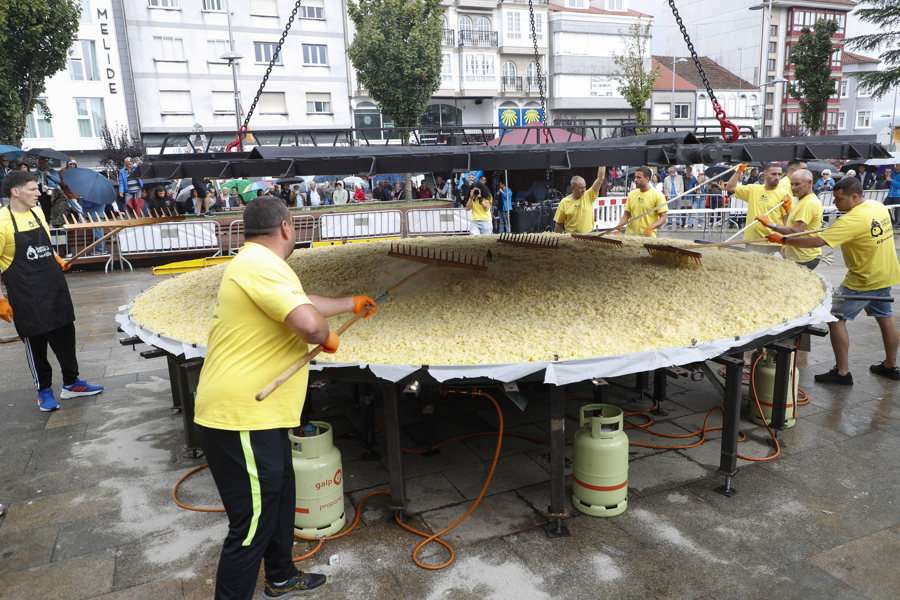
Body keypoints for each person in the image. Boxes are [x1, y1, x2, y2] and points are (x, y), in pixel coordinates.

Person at [193, 197, 375, 598]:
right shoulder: (260, 266)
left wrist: (350, 303)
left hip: (265, 415)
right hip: (240, 416)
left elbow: (302, 302)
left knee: (279, 498)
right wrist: (326, 334)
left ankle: (280, 575)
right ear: (287, 227)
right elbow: (309, 323)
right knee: (252, 523)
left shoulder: (262, 265)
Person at [770, 176, 900, 384]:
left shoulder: (852, 219)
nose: (835, 204)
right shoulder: (876, 206)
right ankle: (891, 366)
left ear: (855, 197)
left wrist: (785, 240)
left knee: (835, 317)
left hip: (863, 279)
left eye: (839, 199)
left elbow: (818, 241)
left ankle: (842, 372)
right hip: (886, 273)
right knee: (885, 317)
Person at [0, 171, 103, 411]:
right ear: (16, 192)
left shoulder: (37, 212)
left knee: (66, 336)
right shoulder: (2, 222)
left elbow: (44, 243)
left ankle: (72, 383)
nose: (39, 193)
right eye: (33, 189)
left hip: (54, 287)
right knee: (36, 344)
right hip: (26, 294)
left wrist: (56, 258)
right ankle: (43, 390)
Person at [757, 168, 823, 269]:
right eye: (791, 184)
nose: (793, 188)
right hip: (796, 253)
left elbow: (795, 231)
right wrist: (788, 210)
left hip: (804, 257)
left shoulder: (809, 203)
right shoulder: (800, 199)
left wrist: (770, 224)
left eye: (797, 184)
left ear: (810, 183)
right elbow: (793, 222)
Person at [725, 163, 790, 253]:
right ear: (765, 173)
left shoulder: (784, 194)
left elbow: (787, 221)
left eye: (779, 174)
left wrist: (786, 241)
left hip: (774, 242)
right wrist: (738, 171)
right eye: (774, 174)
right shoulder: (753, 189)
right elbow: (730, 188)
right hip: (752, 241)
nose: (777, 177)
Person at [611, 166, 668, 237]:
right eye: (635, 177)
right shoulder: (631, 194)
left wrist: (650, 228)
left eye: (639, 177)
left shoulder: (658, 195)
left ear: (647, 179)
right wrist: (618, 228)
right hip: (630, 237)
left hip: (648, 238)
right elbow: (626, 215)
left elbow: (663, 218)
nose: (635, 180)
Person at [553, 166, 606, 234]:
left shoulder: (588, 195)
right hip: (571, 238)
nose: (583, 190)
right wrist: (558, 240)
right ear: (573, 188)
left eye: (584, 187)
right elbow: (559, 224)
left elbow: (600, 179)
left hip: (588, 236)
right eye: (580, 188)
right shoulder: (564, 202)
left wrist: (603, 161)